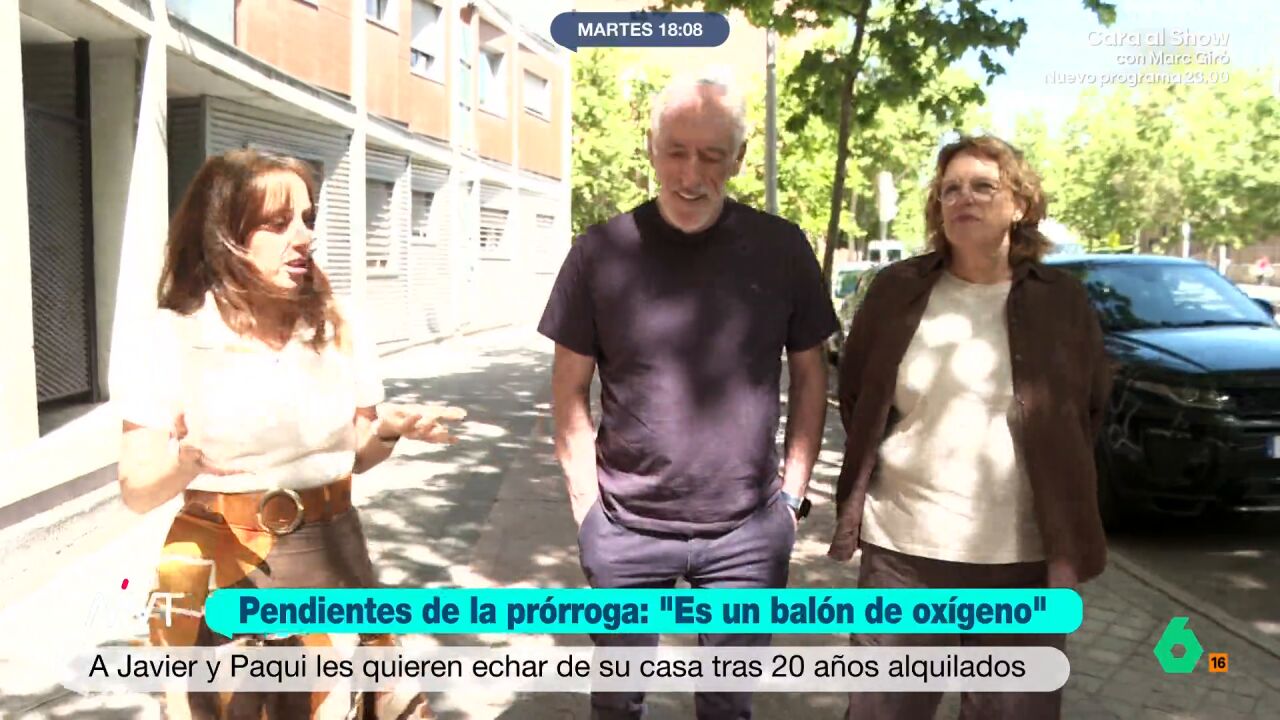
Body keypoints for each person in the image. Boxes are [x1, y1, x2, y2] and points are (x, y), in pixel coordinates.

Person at [116, 149, 465, 719]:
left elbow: (355, 454)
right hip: (223, 574)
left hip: (333, 559)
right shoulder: (173, 334)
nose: (303, 237)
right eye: (278, 224)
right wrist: (185, 463)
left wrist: (388, 430)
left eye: (307, 219)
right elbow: (136, 489)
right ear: (225, 233)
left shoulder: (338, 323)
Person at [538, 73, 838, 720]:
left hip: (747, 531)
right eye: (676, 151)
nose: (691, 174)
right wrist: (586, 506)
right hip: (625, 525)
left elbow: (812, 375)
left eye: (711, 155)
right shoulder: (599, 253)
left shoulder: (782, 248)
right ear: (651, 149)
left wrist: (791, 498)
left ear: (740, 157)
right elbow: (568, 390)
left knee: (727, 705)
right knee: (617, 703)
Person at [829, 135, 1112, 720]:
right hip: (905, 553)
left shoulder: (1062, 302)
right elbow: (857, 396)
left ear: (1020, 204)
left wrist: (1066, 549)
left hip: (1021, 560)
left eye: (984, 186)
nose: (964, 198)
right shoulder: (896, 290)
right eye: (951, 189)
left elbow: (1085, 414)